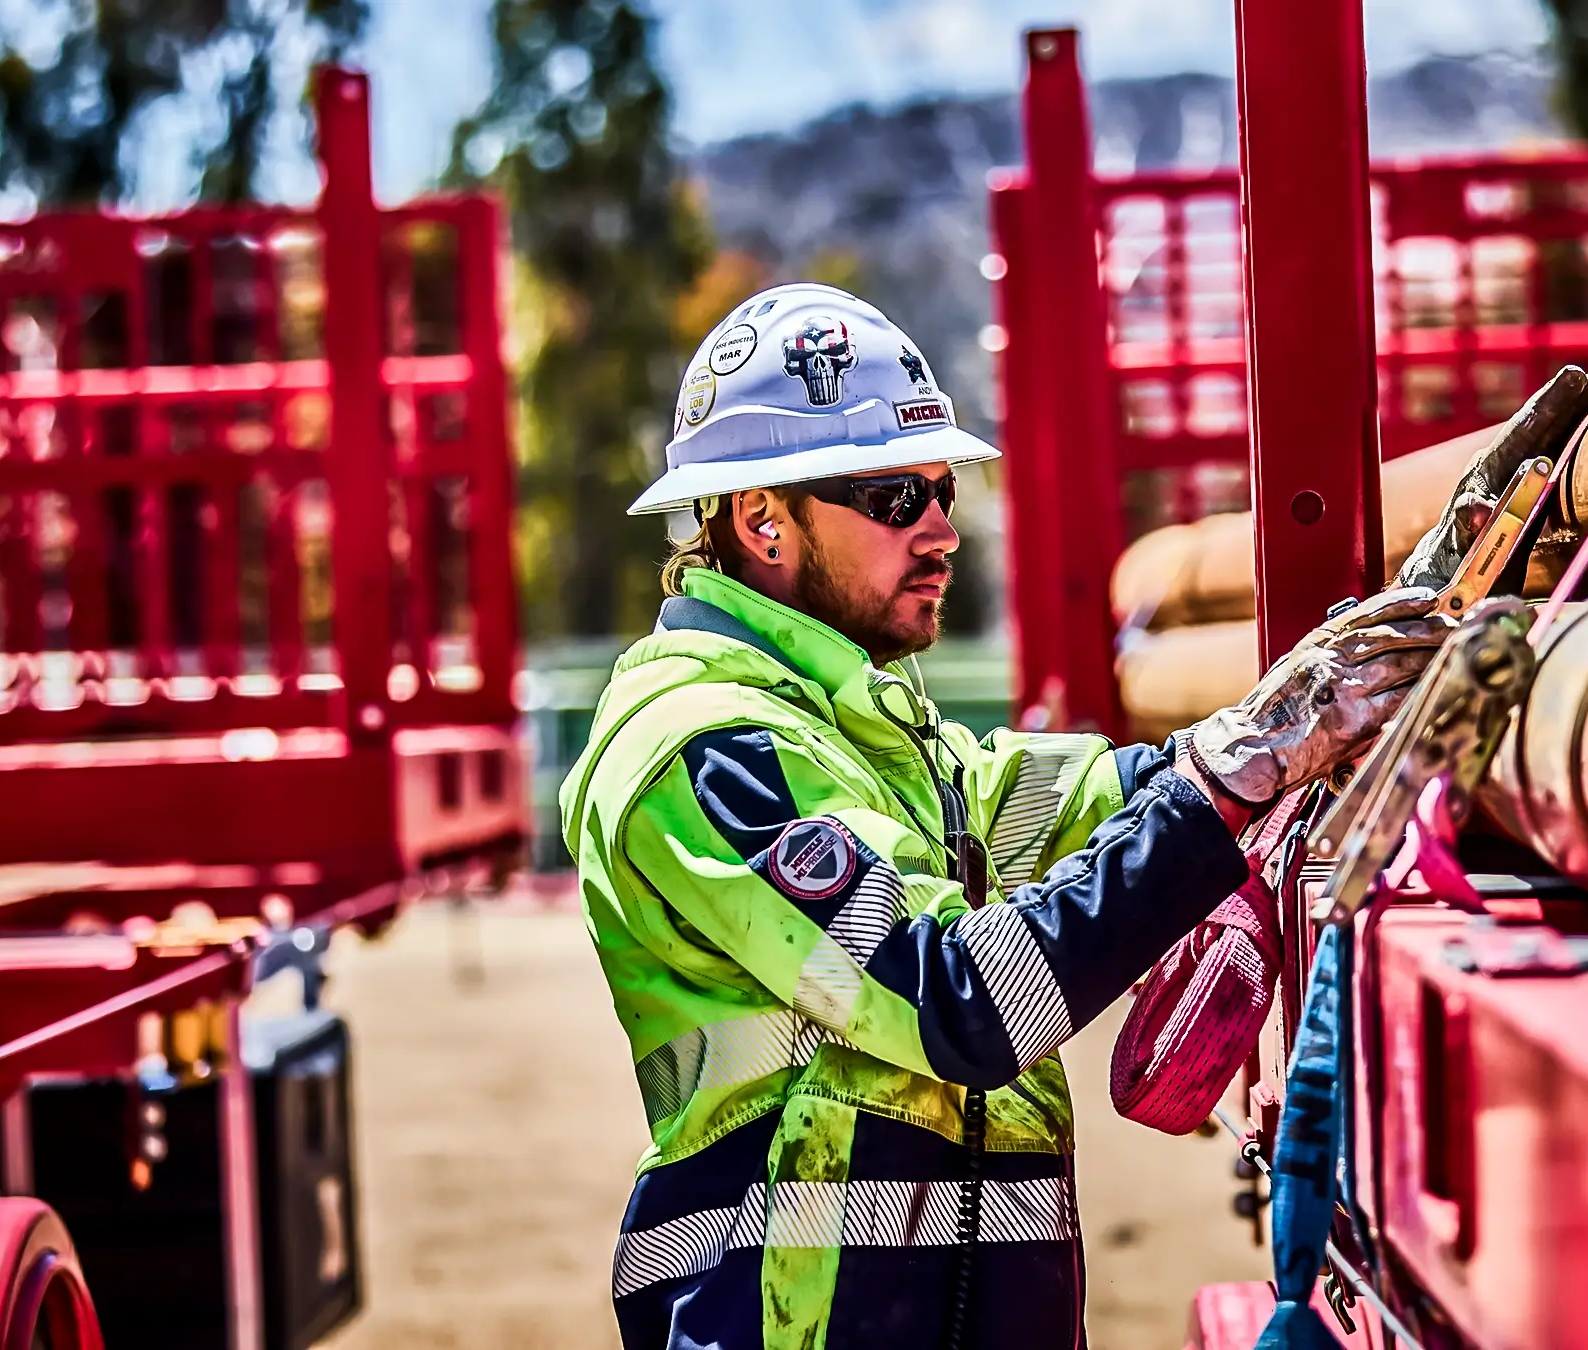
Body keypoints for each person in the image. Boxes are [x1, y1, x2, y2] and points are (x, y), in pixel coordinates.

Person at [560, 283, 1506, 1349]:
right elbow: (949, 998)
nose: (939, 531)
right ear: (762, 520)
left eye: (942, 490)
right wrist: (1233, 774)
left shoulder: (873, 734)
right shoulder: (707, 751)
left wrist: (1263, 735)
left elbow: (1085, 800)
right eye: (892, 498)